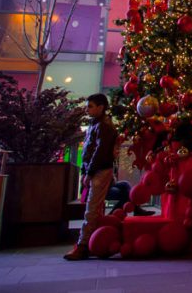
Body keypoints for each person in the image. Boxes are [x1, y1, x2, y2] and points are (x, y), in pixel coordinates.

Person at [65, 93, 117, 260]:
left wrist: (89, 172)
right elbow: (90, 150)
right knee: (93, 207)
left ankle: (83, 245)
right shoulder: (96, 125)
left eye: (91, 106)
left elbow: (100, 152)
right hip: (94, 170)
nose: (87, 109)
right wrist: (85, 171)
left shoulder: (104, 126)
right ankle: (92, 242)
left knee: (92, 209)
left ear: (101, 107)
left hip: (99, 170)